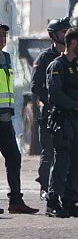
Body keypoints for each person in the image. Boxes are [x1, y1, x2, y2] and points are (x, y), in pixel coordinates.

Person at [45, 27, 78, 218]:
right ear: (73, 43)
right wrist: (74, 106)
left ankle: (70, 201)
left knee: (77, 161)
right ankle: (53, 201)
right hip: (63, 120)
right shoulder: (57, 65)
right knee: (62, 161)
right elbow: (55, 94)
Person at [32, 17, 73, 200]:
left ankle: (70, 189)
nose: (66, 35)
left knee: (70, 152)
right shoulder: (45, 58)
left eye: (67, 32)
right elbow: (36, 86)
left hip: (69, 113)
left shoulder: (74, 57)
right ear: (53, 35)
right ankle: (45, 187)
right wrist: (52, 100)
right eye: (63, 32)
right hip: (50, 112)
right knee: (48, 151)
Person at [0, 22, 38, 214]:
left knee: (14, 158)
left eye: (3, 36)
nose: (2, 39)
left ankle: (15, 201)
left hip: (5, 119)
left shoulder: (6, 57)